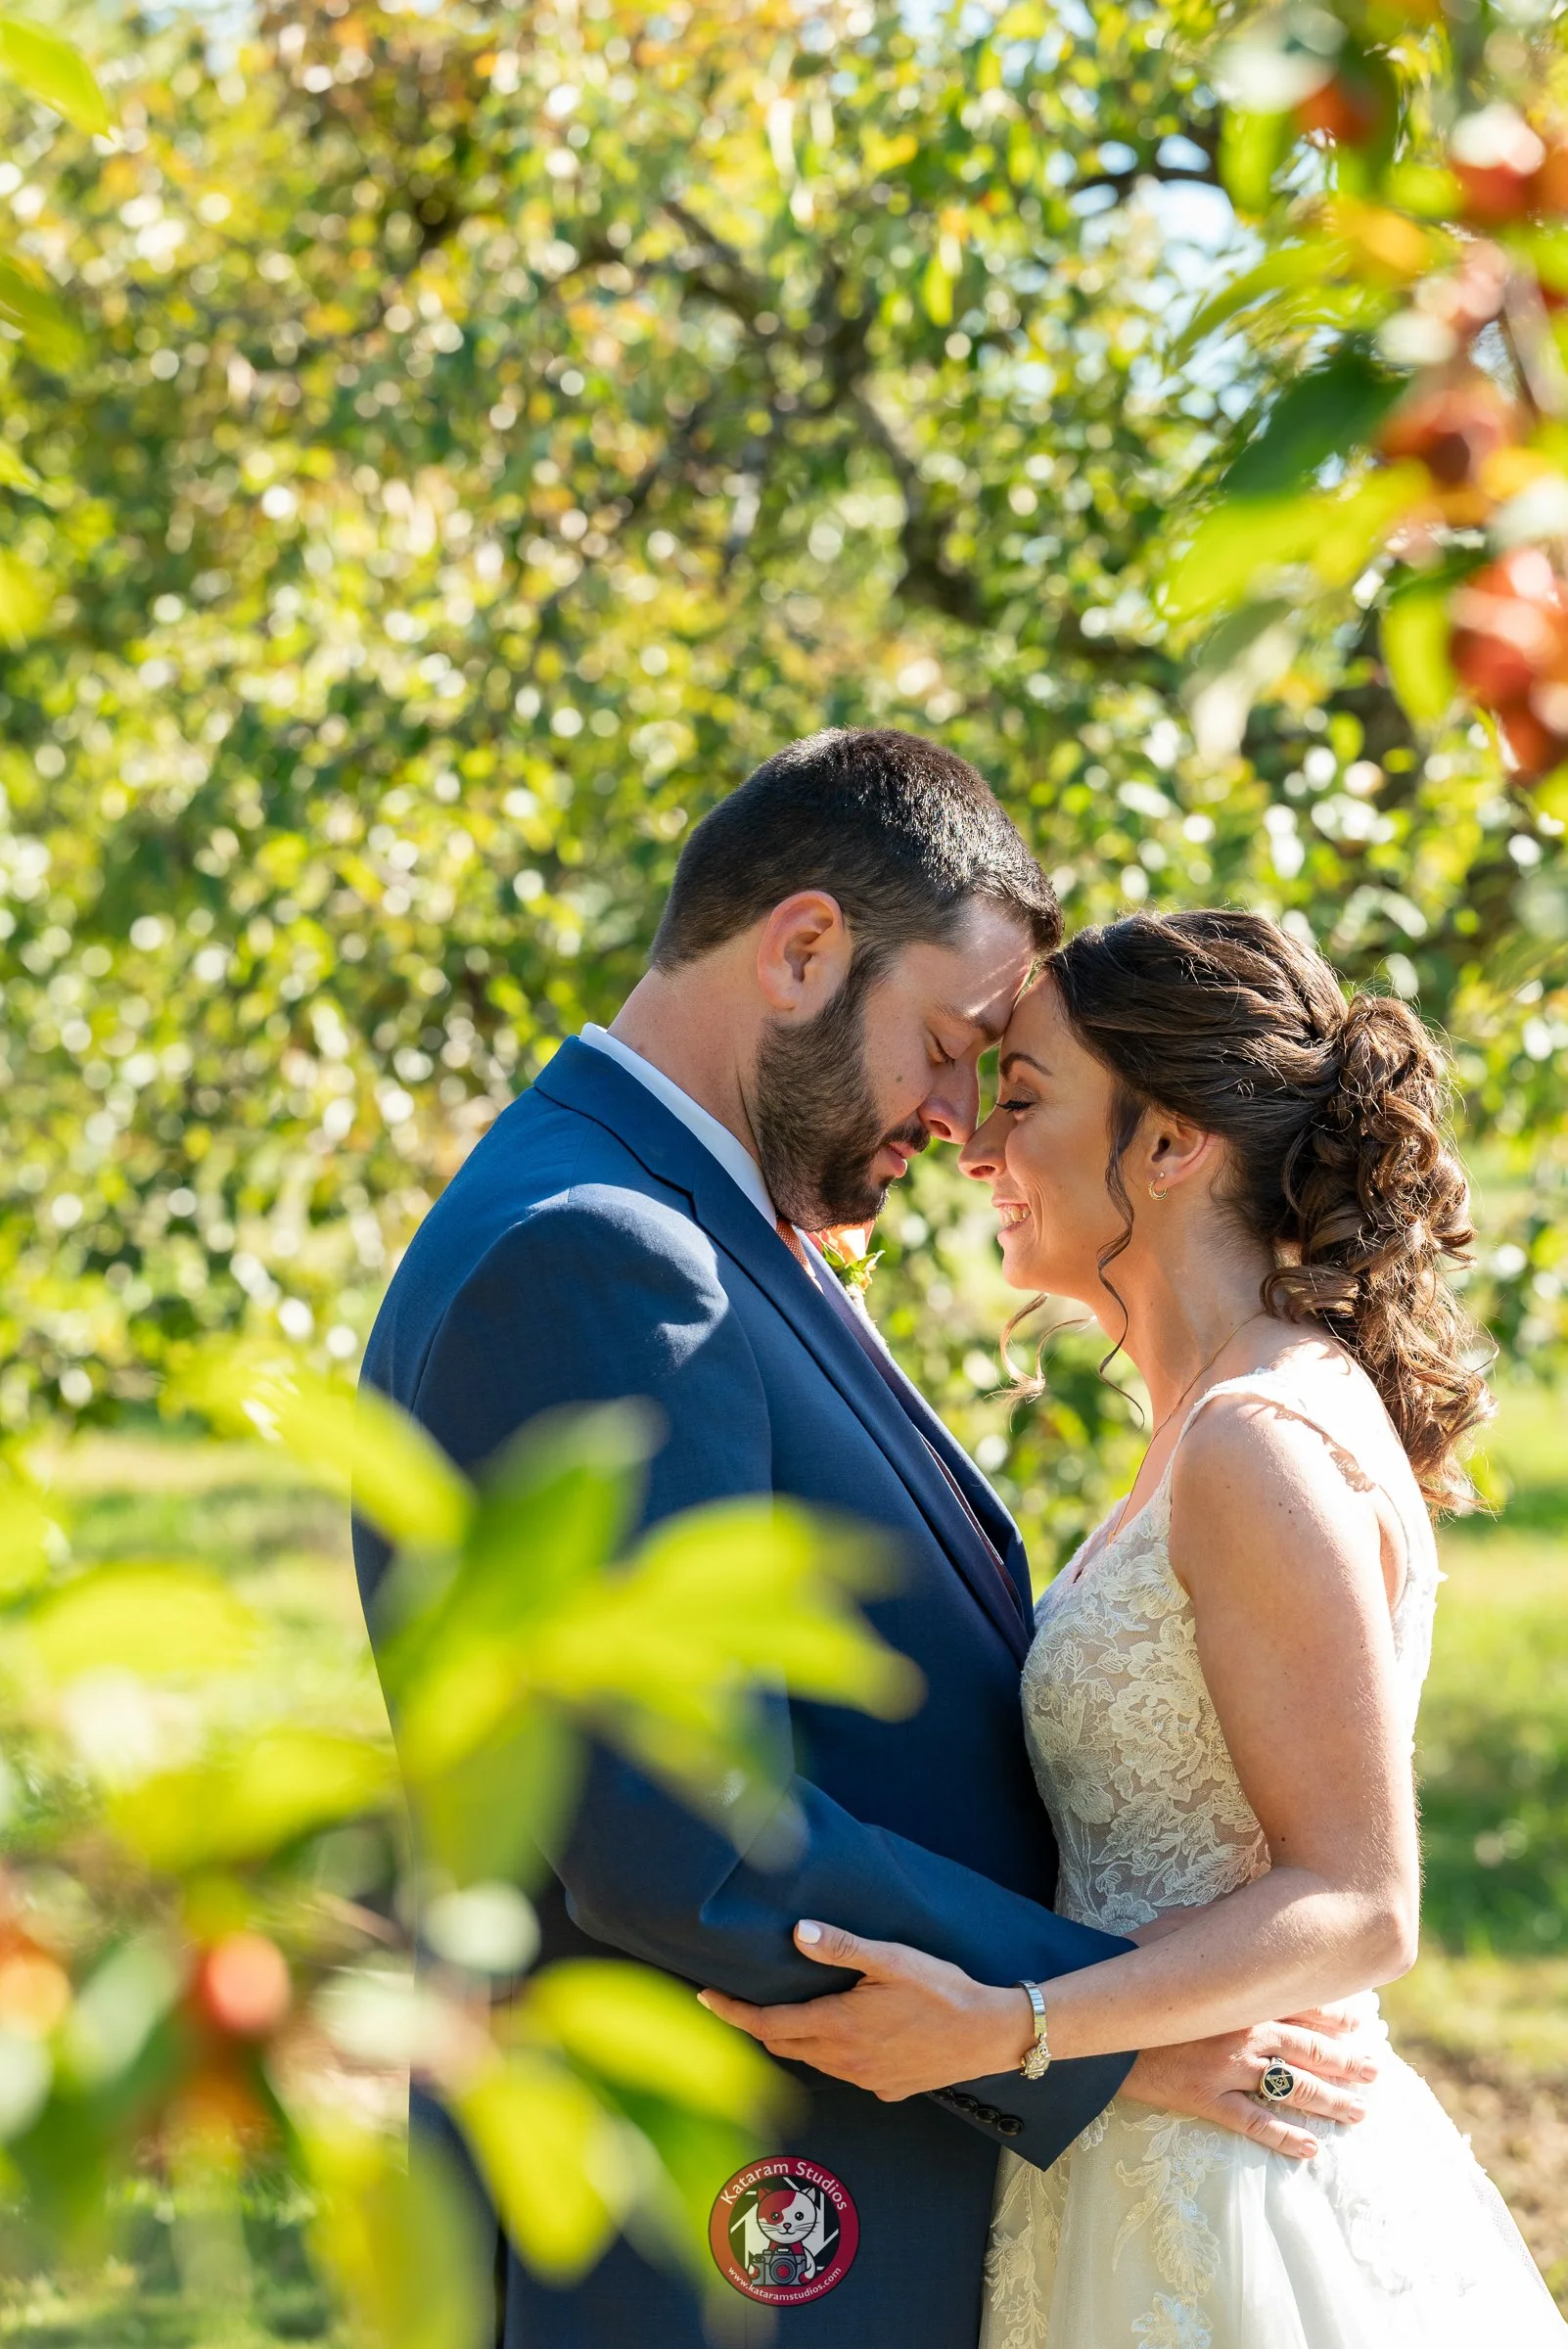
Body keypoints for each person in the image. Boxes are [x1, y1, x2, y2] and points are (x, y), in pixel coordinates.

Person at [353, 739, 1373, 2349]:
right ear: (803, 950)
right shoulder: (600, 1256)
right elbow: (680, 1831)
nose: (963, 1118)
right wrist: (1078, 2030)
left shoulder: (693, 1220)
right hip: (720, 2230)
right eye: (950, 1046)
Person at [700, 908, 1567, 2347]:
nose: (974, 1148)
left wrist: (1012, 2028)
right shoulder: (1214, 1422)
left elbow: (1359, 1900)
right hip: (1145, 2144)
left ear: (1169, 1144)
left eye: (1023, 1100)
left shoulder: (1253, 1439)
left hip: (1233, 2202)